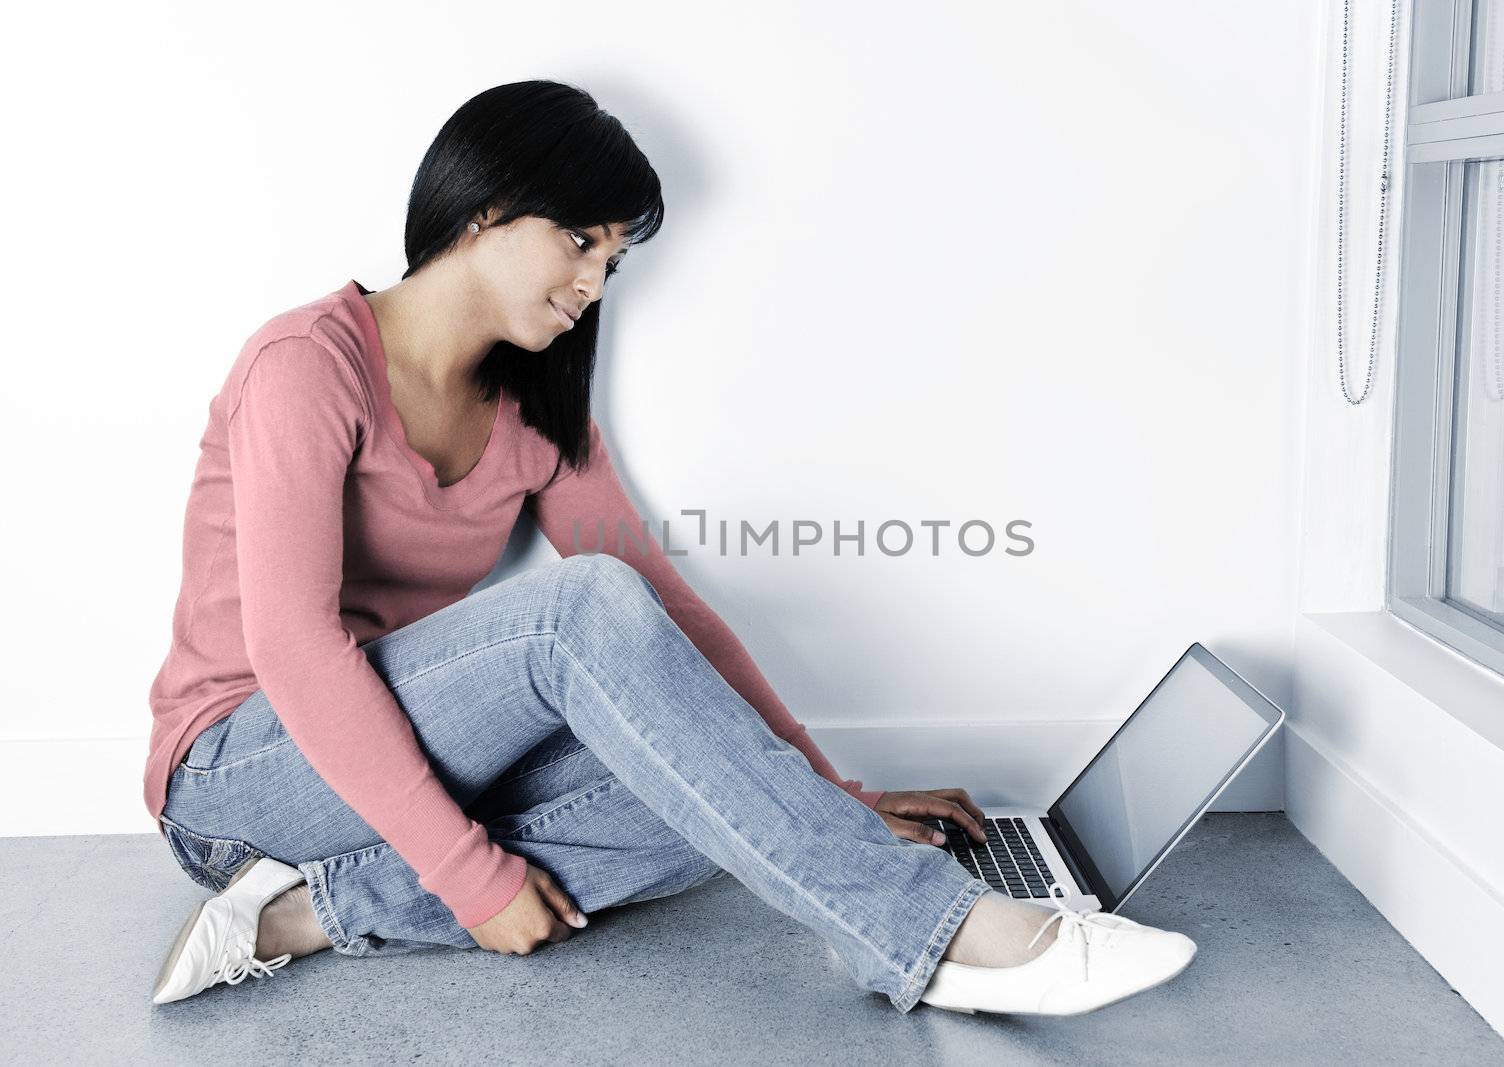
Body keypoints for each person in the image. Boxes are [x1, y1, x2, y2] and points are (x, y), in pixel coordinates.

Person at [146, 79, 1196, 1015]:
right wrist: (469, 877)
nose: (595, 282)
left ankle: (305, 915)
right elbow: (292, 645)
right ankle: (942, 935)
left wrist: (826, 790)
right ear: (487, 207)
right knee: (583, 609)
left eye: (614, 257)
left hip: (383, 783)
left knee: (706, 788)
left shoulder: (532, 410)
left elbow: (668, 618)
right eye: (582, 240)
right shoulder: (306, 363)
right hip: (239, 776)